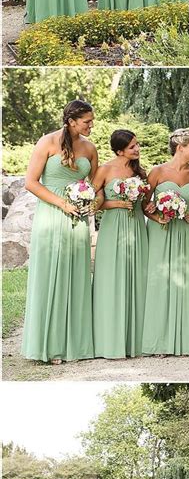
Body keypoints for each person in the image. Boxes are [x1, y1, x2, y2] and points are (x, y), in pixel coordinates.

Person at [21, 100, 97, 364]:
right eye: (87, 121)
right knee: (50, 276)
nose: (91, 125)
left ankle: (74, 344)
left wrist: (89, 201)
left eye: (92, 120)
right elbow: (31, 182)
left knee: (76, 276)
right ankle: (49, 346)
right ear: (71, 121)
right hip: (51, 215)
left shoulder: (90, 148)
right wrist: (62, 203)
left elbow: (92, 185)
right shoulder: (47, 142)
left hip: (78, 219)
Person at [142, 128, 189, 356]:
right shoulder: (157, 172)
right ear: (180, 147)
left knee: (182, 281)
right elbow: (144, 204)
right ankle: (157, 341)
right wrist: (157, 216)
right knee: (157, 281)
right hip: (159, 231)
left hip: (183, 232)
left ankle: (180, 340)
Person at [92, 130, 149, 358]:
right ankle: (109, 340)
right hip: (113, 228)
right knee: (111, 278)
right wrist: (116, 203)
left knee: (137, 277)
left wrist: (151, 206)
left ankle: (136, 340)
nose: (137, 149)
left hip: (136, 227)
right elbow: (93, 202)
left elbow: (144, 204)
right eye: (132, 146)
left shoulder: (139, 172)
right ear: (119, 150)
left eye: (137, 144)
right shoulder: (104, 170)